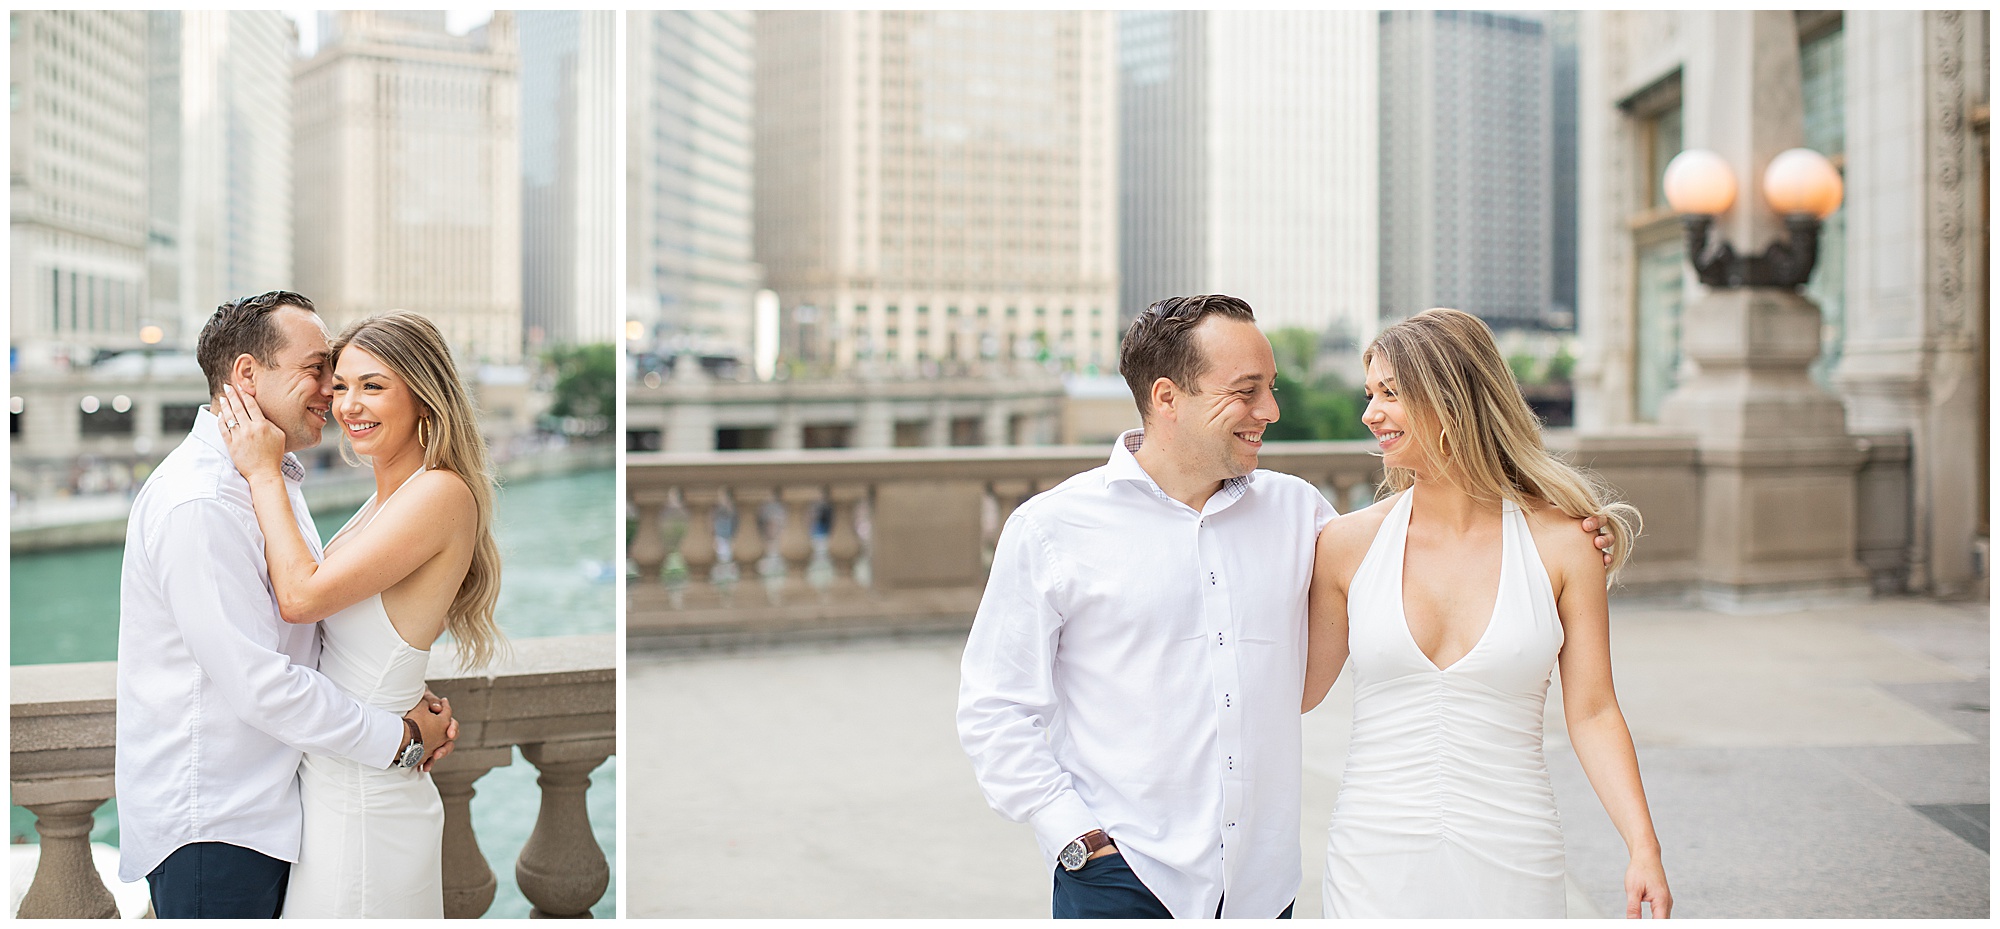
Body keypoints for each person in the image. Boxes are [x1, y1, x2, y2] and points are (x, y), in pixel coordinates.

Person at [957, 296, 1616, 919]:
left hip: (1260, 890)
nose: (1270, 408)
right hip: (1118, 875)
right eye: (1247, 390)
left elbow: (1427, 550)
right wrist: (1074, 837)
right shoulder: (1052, 528)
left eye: (1270, 385)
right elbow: (995, 708)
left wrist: (1563, 532)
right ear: (1167, 398)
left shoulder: (1302, 516)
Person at [1305, 307, 1672, 919]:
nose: (1370, 414)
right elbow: (1297, 688)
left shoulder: (1564, 544)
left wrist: (1643, 847)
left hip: (1515, 851)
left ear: (1452, 400)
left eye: (1390, 394)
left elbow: (1593, 710)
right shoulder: (1346, 545)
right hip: (1373, 854)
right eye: (1370, 394)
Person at [115, 292, 456, 919]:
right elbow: (261, 684)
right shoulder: (202, 502)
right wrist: (398, 737)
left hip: (278, 809)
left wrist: (398, 689)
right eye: (318, 369)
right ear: (247, 375)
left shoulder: (266, 473)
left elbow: (320, 630)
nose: (332, 391)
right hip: (217, 828)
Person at [214, 309, 507, 918]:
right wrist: (406, 691)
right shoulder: (389, 499)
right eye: (340, 385)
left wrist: (264, 470)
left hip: (364, 803)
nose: (348, 404)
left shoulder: (439, 493)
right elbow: (365, 640)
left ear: (424, 397)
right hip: (334, 784)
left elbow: (301, 598)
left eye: (374, 386)